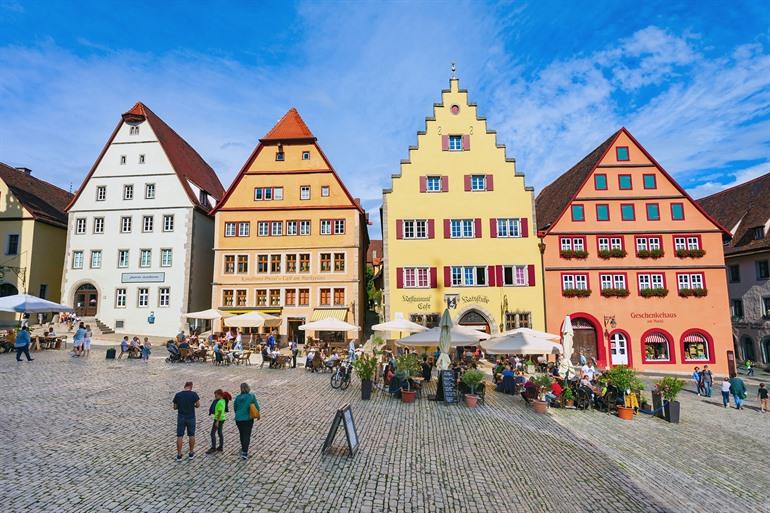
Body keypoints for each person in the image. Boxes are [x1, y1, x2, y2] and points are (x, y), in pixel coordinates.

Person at [172, 381, 200, 461]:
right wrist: (193, 405)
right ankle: (191, 453)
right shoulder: (194, 394)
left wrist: (180, 406)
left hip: (181, 417)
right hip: (191, 417)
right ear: (191, 386)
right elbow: (198, 405)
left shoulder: (178, 395)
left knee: (180, 435)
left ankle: (179, 455)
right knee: (191, 435)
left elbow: (174, 407)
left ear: (185, 386)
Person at [233, 382, 260, 460]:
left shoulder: (237, 397)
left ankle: (243, 448)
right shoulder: (251, 396)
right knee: (247, 435)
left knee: (241, 434)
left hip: (238, 419)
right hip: (248, 419)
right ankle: (245, 452)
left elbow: (235, 408)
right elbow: (257, 407)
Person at [206, 389, 226, 454]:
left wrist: (217, 421)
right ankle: (221, 446)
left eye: (216, 395)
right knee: (220, 432)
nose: (215, 397)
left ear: (220, 395)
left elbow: (220, 412)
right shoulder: (223, 401)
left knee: (212, 433)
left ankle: (213, 448)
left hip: (218, 419)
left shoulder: (219, 402)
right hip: (222, 418)